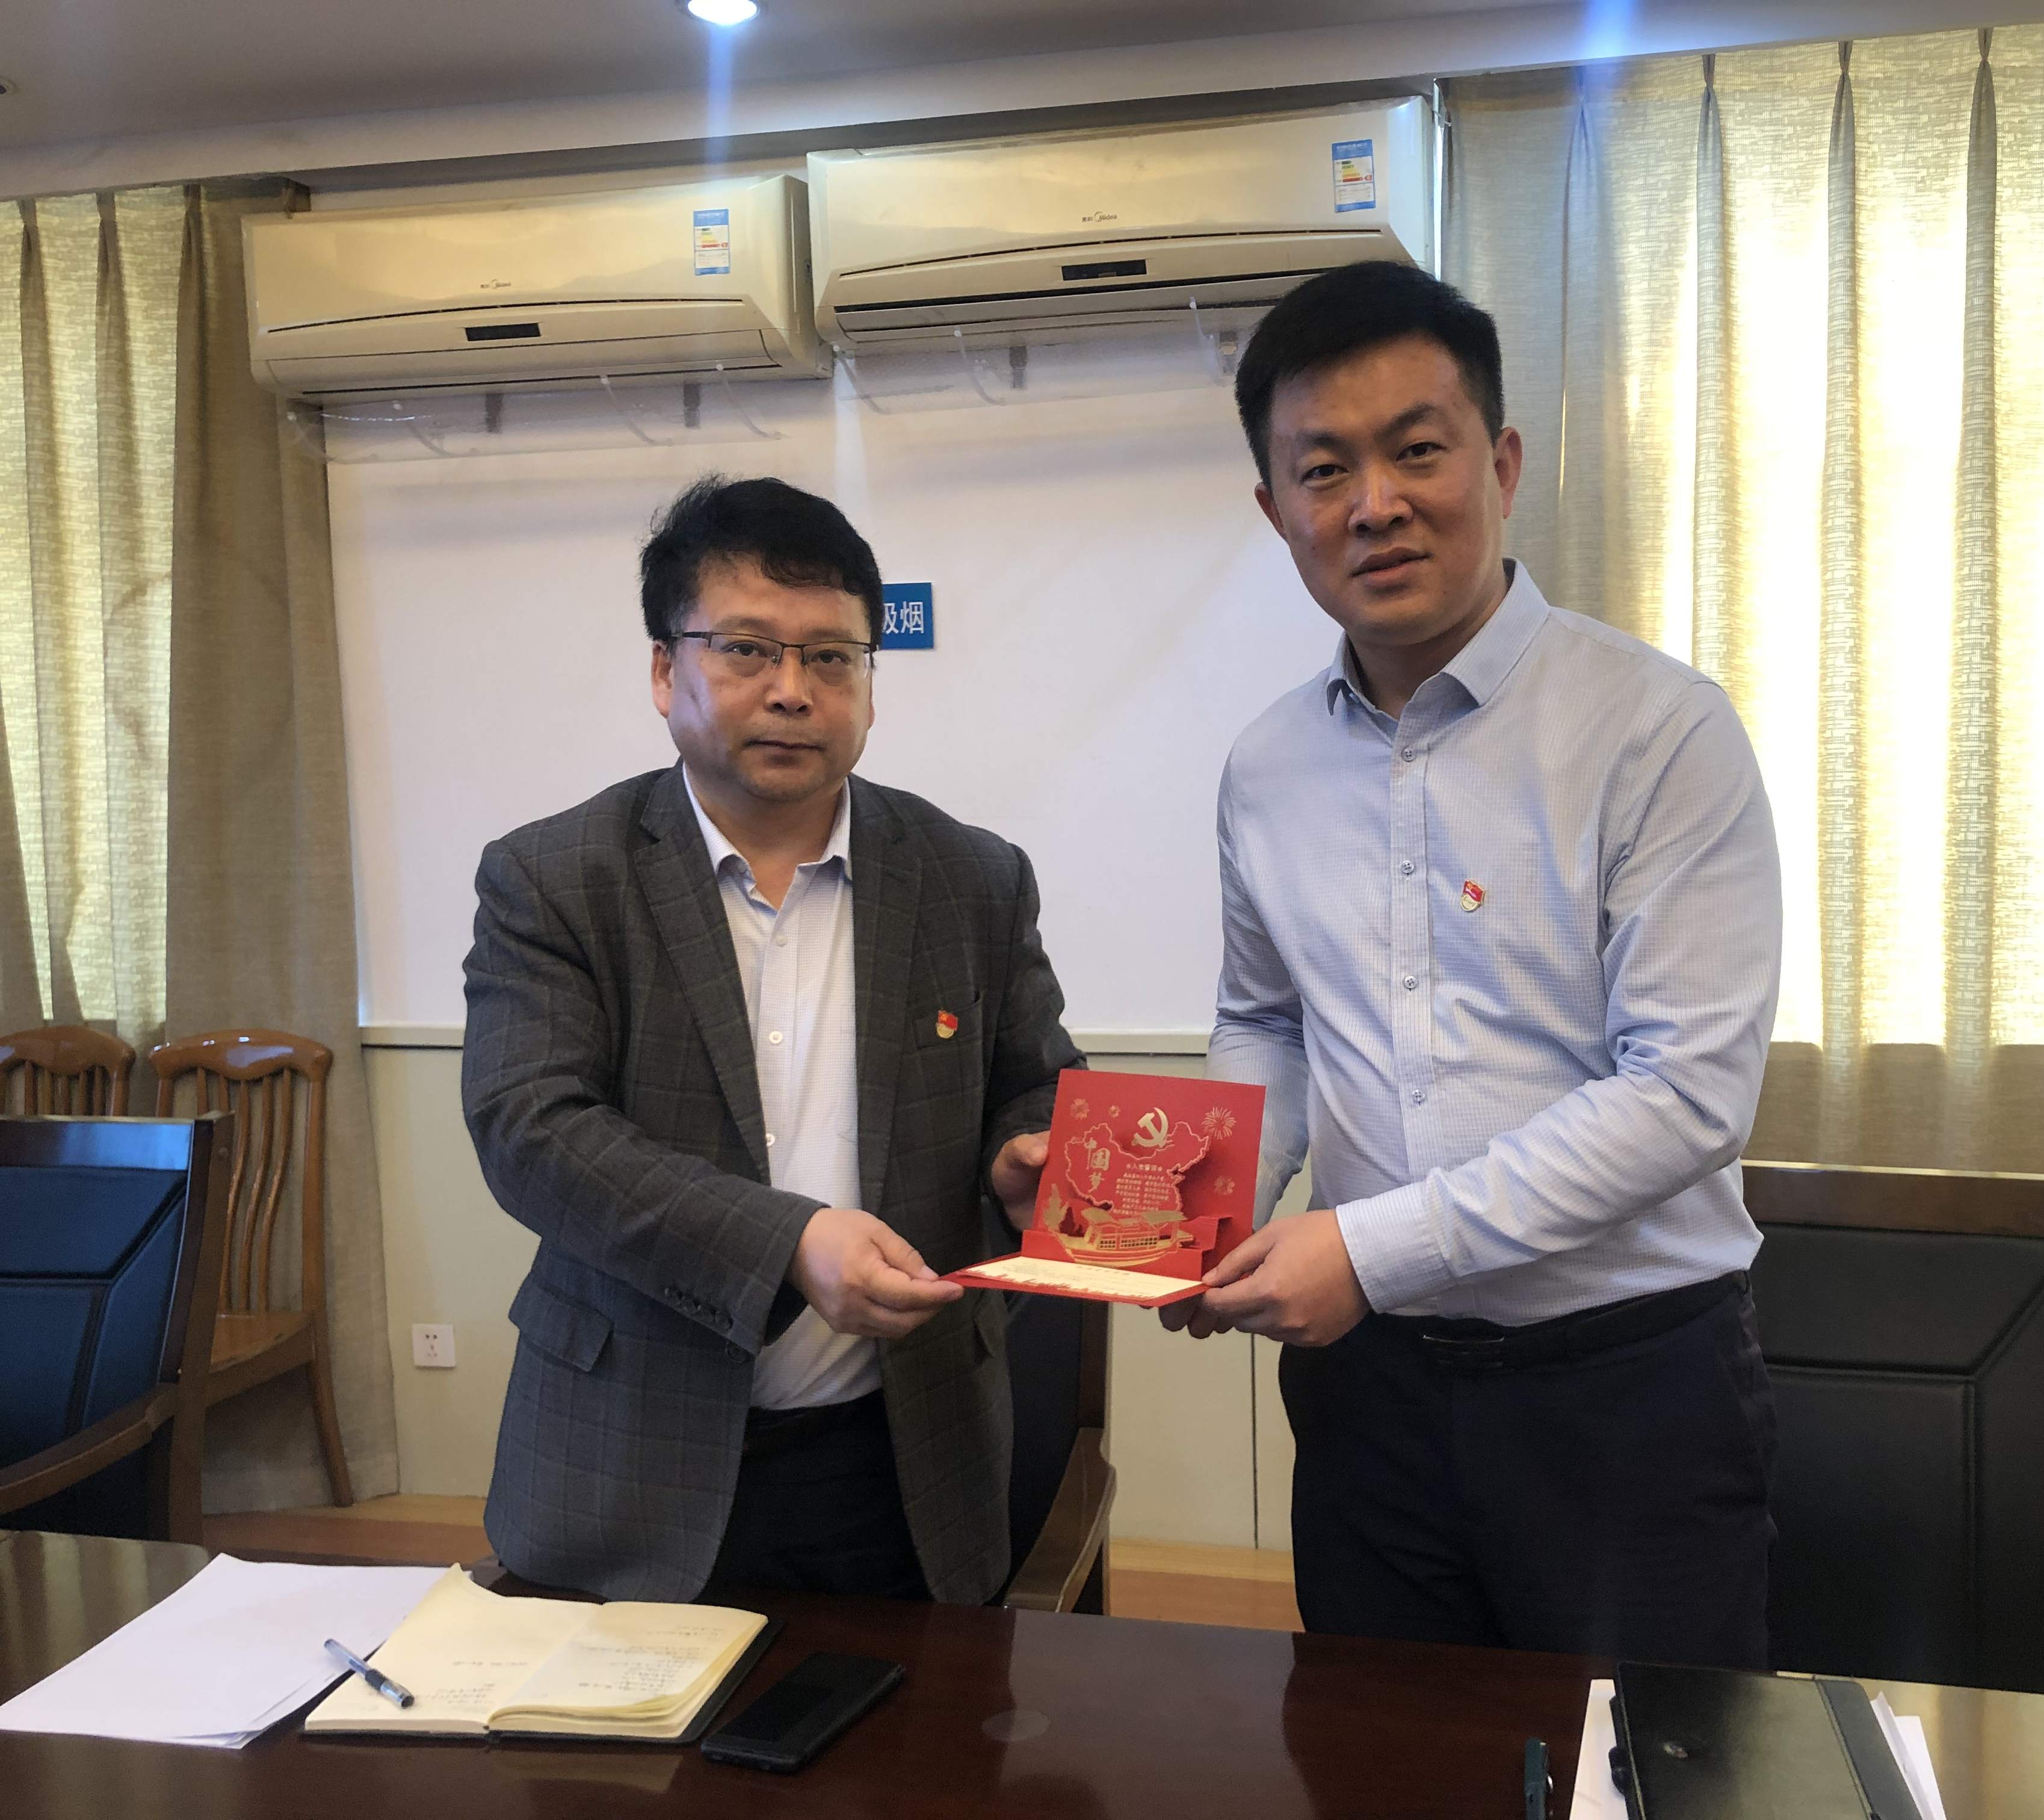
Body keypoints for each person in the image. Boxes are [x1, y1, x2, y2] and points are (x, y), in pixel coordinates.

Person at [1176, 261, 1784, 1664]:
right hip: (1367, 1398)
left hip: (1627, 1385)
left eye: (1417, 450)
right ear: (1275, 512)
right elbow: (1267, 1022)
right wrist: (1193, 1207)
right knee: (1381, 1752)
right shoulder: (1266, 767)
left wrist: (1368, 1250)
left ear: (1500, 465)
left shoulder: (1660, 732)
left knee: (1648, 1759)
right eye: (1324, 470)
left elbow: (1686, 1092)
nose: (1374, 503)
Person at [464, 475, 1081, 1605]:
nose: (793, 691)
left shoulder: (974, 877)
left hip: (903, 1459)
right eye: (747, 649)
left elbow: (1037, 1086)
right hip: (627, 1456)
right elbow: (533, 1134)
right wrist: (790, 1245)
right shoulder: (554, 877)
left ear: (869, 684)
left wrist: (1020, 1154)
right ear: (667, 671)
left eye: (832, 657)